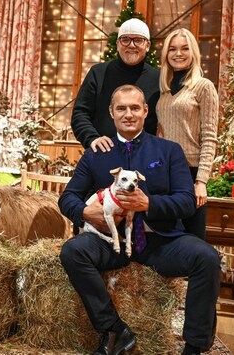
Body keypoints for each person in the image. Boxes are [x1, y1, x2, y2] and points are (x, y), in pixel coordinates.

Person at [59, 84, 220, 355]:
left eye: (135, 108)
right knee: (73, 251)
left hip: (160, 241)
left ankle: (194, 347)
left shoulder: (169, 151)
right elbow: (67, 198)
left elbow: (187, 202)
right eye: (121, 108)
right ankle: (113, 329)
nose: (128, 114)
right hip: (113, 241)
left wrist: (150, 203)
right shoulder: (97, 153)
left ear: (146, 111)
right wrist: (86, 213)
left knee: (207, 258)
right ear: (111, 113)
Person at [156, 28, 219, 240]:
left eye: (184, 48)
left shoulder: (203, 87)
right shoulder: (163, 91)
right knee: (165, 236)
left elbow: (210, 137)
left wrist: (201, 181)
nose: (178, 53)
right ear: (166, 54)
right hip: (164, 173)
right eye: (172, 49)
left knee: (192, 238)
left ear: (193, 52)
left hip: (190, 173)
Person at [71, 18, 160, 153]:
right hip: (102, 154)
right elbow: (80, 113)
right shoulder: (98, 73)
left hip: (144, 157)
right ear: (118, 44)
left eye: (138, 40)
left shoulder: (158, 78)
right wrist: (92, 139)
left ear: (147, 45)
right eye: (125, 39)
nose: (131, 45)